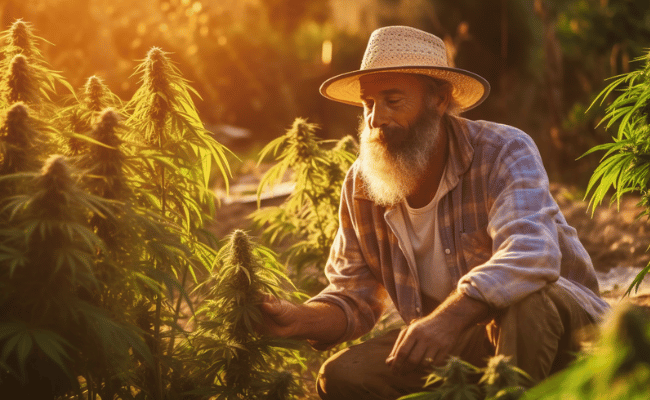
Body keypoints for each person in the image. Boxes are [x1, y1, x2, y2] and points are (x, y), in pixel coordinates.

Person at [258, 25, 609, 399]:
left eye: (393, 101)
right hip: (465, 340)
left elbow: (531, 254)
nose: (376, 119)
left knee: (526, 300)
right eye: (369, 103)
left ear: (439, 100)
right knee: (344, 376)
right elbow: (353, 298)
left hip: (564, 331)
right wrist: (298, 318)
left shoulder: (502, 151)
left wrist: (447, 318)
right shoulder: (362, 186)